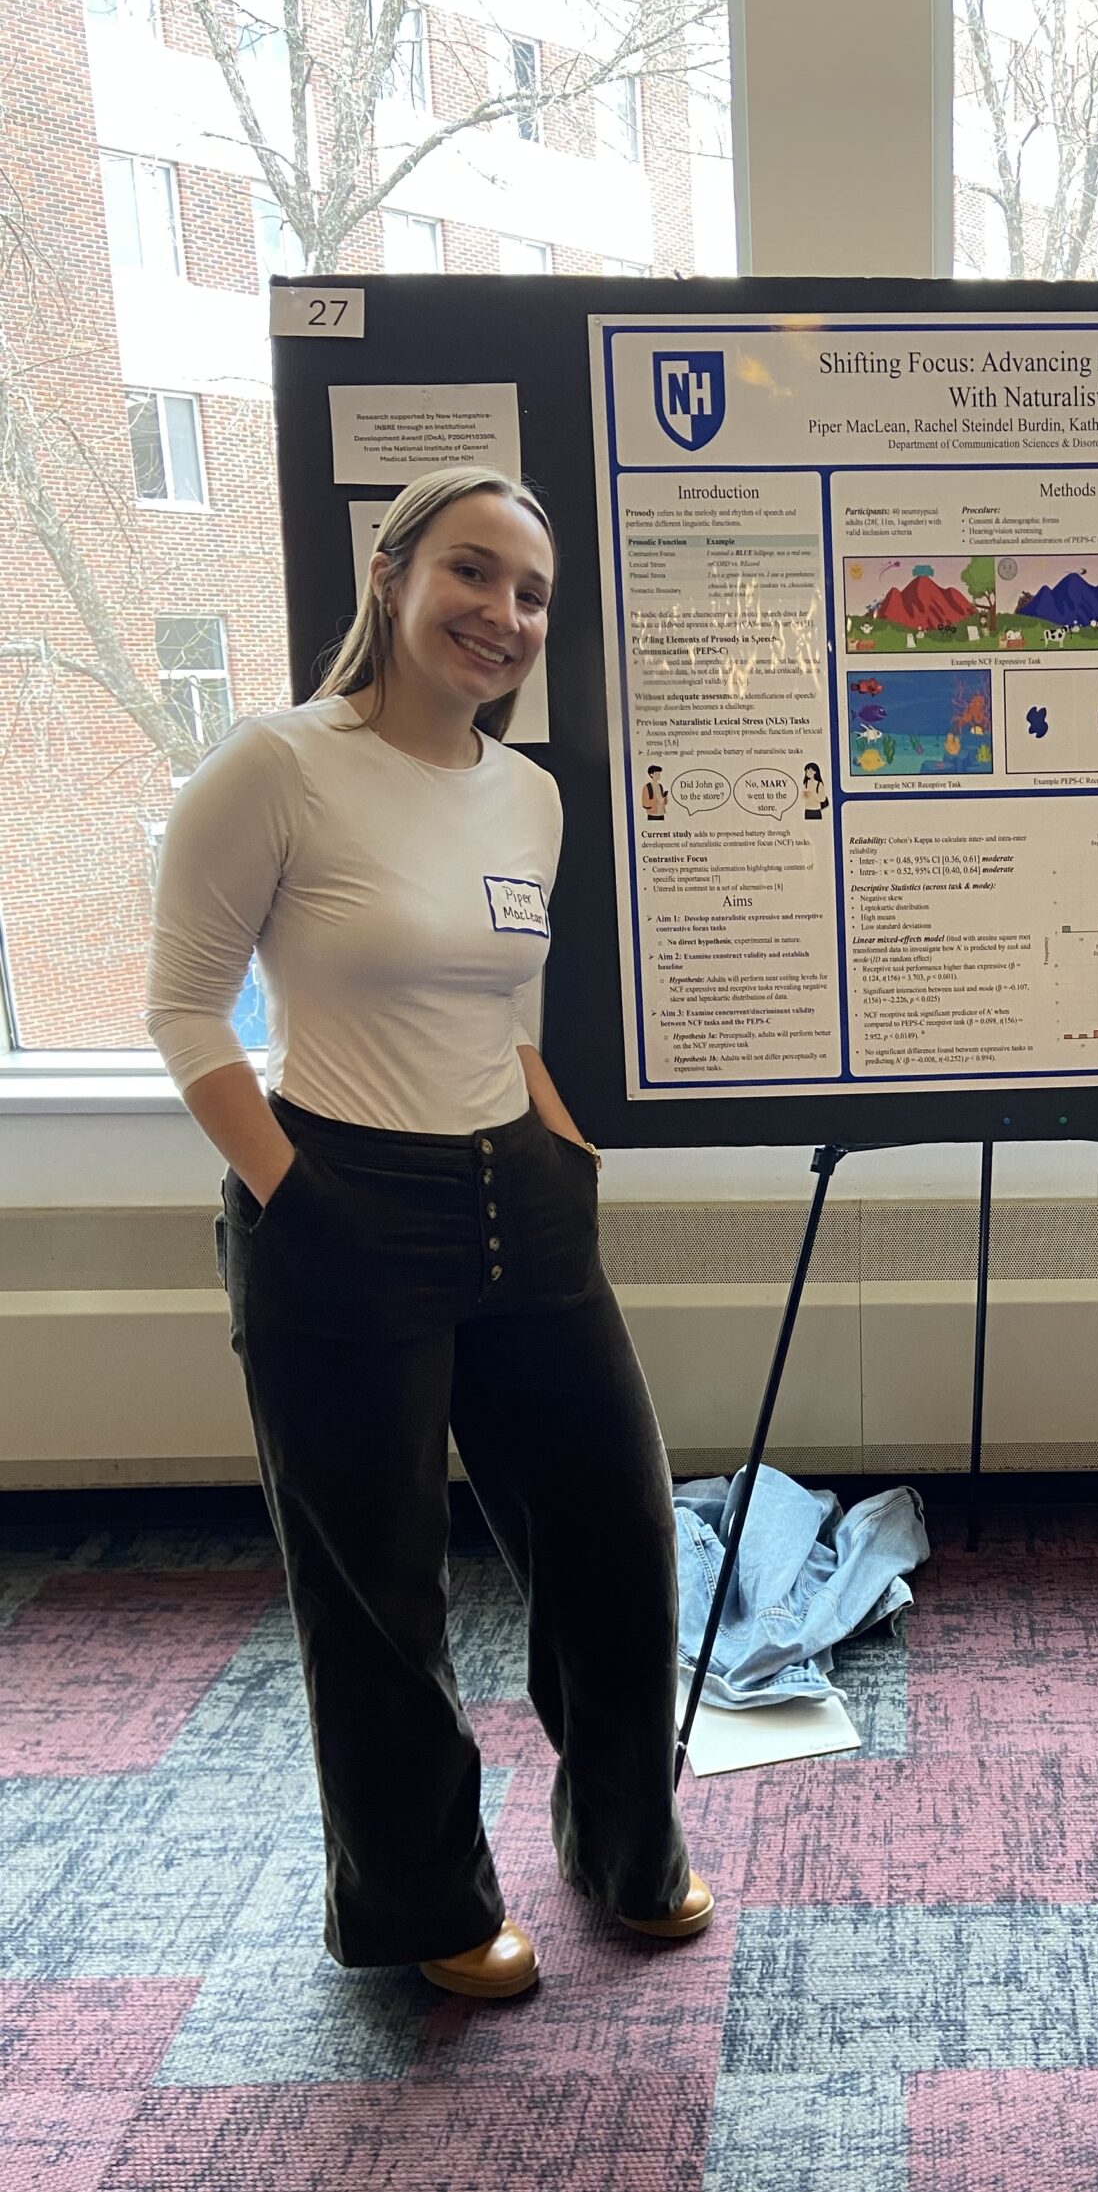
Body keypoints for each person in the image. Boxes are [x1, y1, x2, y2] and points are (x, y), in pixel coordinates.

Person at [145, 464, 712, 2001]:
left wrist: (561, 1136)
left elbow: (507, 1006)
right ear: (389, 575)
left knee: (620, 1538)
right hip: (333, 1194)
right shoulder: (275, 766)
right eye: (473, 574)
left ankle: (621, 1847)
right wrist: (290, 1192)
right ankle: (422, 1910)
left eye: (531, 595)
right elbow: (184, 1008)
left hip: (518, 1192)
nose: (504, 614)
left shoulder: (526, 791)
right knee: (377, 1592)